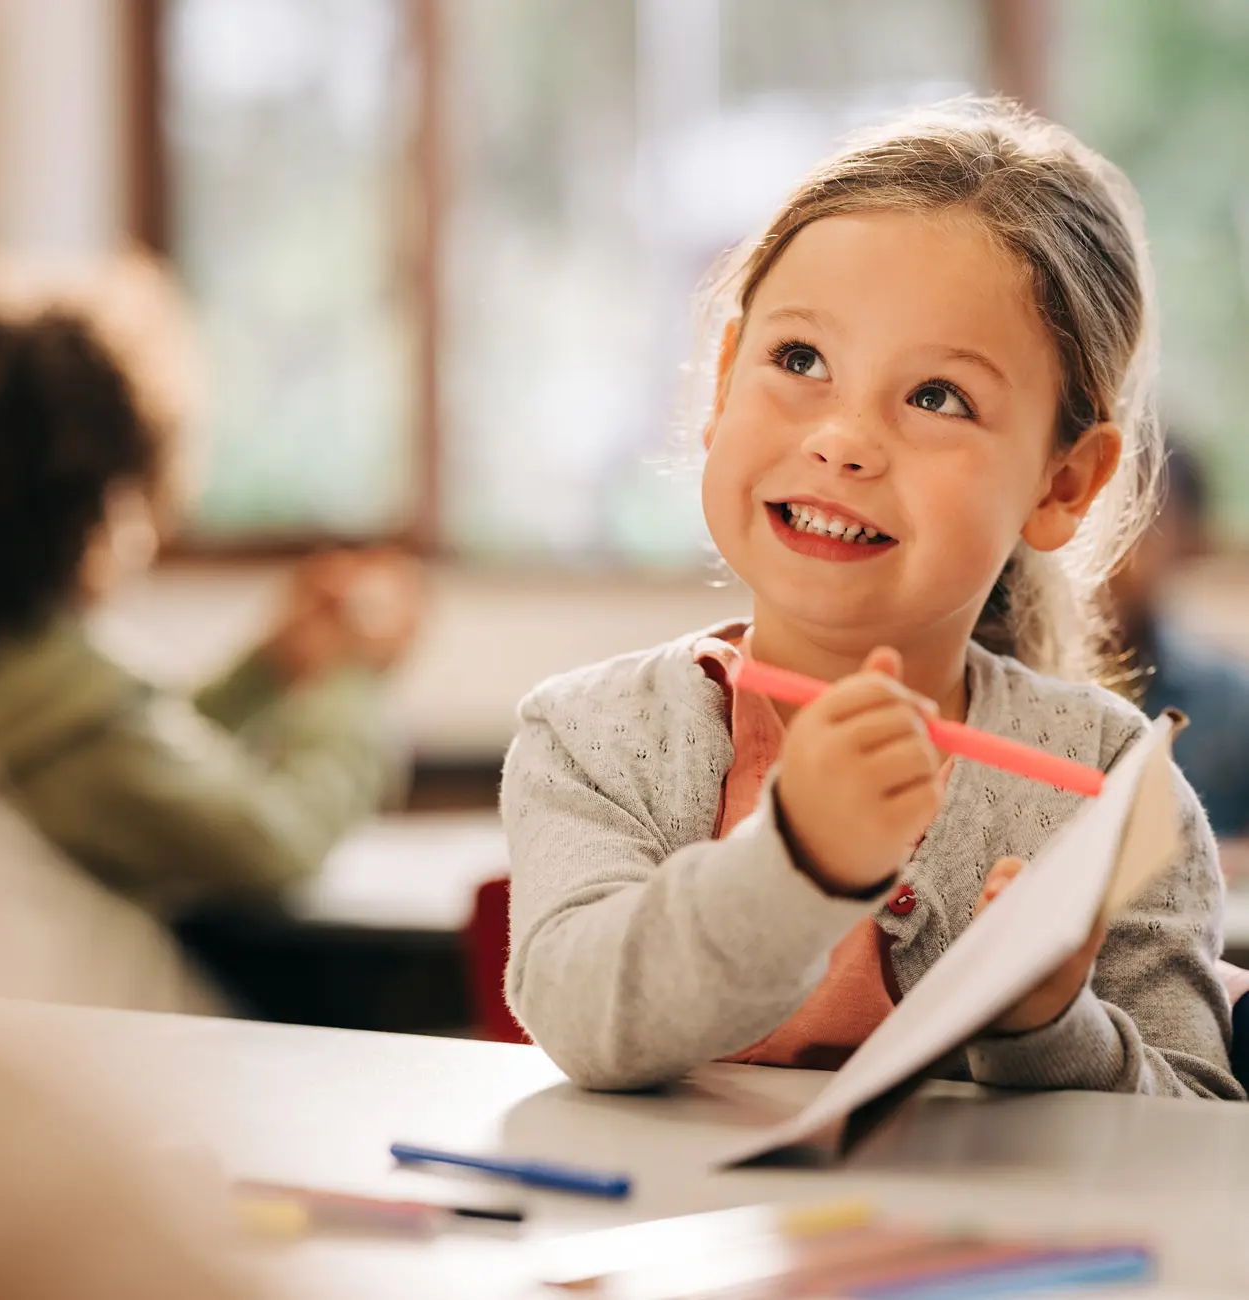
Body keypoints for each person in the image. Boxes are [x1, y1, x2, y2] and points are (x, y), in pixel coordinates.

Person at [502, 98, 1241, 1099]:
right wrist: (795, 868)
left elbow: (1196, 1122)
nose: (842, 438)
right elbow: (583, 1017)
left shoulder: (1109, 789)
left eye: (936, 396)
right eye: (799, 360)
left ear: (1063, 481)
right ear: (722, 383)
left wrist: (1047, 1023)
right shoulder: (590, 735)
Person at [0, 252, 422, 921]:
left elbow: (149, 752)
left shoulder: (9, 686)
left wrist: (267, 670)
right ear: (90, 505)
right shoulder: (79, 732)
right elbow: (273, 840)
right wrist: (347, 682)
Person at [1110, 437, 1249, 876]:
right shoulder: (1008, 689)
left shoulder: (1229, 700)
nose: (1116, 549)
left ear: (1188, 539)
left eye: (1141, 520)